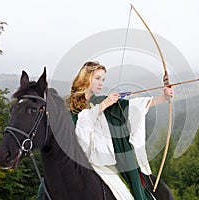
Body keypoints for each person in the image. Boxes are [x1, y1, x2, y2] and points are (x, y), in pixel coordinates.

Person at [66, 61, 173, 200]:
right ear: (85, 77)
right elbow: (78, 127)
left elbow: (132, 107)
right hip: (77, 164)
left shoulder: (103, 101)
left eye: (103, 79)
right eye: (97, 78)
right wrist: (103, 105)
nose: (101, 83)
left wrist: (164, 97)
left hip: (105, 164)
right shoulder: (69, 106)